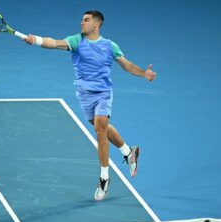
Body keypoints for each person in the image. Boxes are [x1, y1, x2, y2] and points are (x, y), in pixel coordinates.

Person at [23, 10, 156, 201]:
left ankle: (104, 178)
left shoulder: (110, 46)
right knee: (101, 127)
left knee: (100, 130)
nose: (81, 23)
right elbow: (54, 43)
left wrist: (144, 73)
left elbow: (125, 64)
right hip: (84, 95)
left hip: (103, 93)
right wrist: (35, 39)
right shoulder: (77, 41)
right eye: (81, 20)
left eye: (86, 20)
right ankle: (129, 152)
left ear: (96, 23)